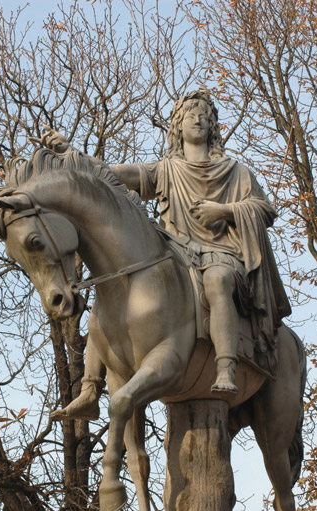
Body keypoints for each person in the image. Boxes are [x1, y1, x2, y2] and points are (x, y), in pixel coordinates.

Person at [110, 91, 291, 395]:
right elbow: (114, 173)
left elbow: (265, 209)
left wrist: (225, 210)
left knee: (217, 280)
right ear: (177, 127)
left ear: (213, 126)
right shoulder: (166, 170)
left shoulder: (236, 171)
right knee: (119, 289)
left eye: (204, 114)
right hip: (177, 258)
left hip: (223, 255)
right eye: (190, 114)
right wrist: (74, 158)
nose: (197, 118)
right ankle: (92, 385)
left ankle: (225, 366)